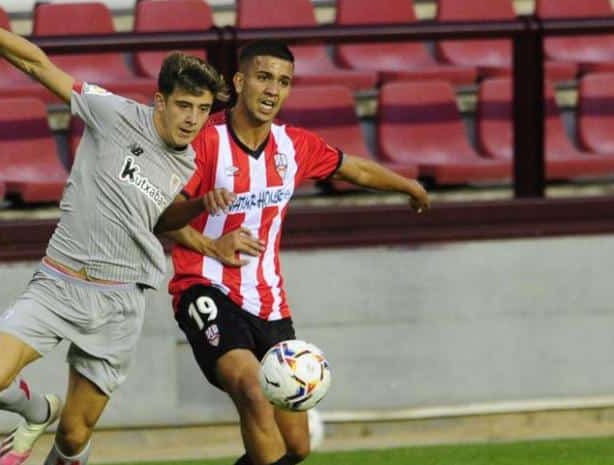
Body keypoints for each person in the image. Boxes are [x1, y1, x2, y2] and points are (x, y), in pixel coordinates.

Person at [0, 2, 227, 465]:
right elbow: (37, 63)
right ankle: (35, 410)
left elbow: (159, 218)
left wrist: (197, 207)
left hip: (120, 301)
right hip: (60, 283)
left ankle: (59, 435)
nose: (193, 119)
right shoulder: (112, 114)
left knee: (74, 436)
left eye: (203, 110)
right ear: (161, 101)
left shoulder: (188, 160)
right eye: (185, 106)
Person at [158, 40, 430, 465]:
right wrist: (211, 240)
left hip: (269, 303)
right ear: (240, 81)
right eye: (264, 77)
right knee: (251, 387)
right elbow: (162, 217)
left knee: (296, 447)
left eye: (283, 82)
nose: (273, 90)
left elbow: (350, 167)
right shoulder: (206, 142)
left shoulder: (294, 146)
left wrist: (408, 185)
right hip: (203, 287)